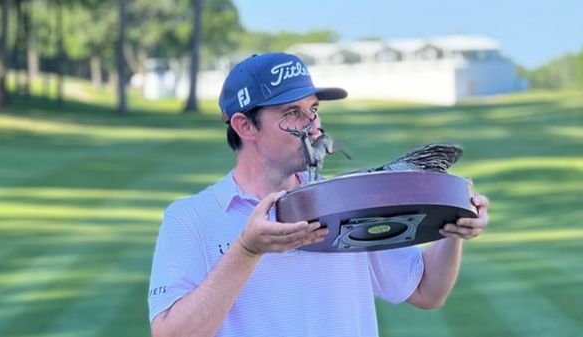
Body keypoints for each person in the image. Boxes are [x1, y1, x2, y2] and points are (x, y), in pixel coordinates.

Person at [148, 53, 489, 337]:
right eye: (292, 113)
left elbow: (427, 290)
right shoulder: (190, 219)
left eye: (313, 109)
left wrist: (453, 226)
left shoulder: (347, 199)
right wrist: (248, 249)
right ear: (244, 126)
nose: (314, 127)